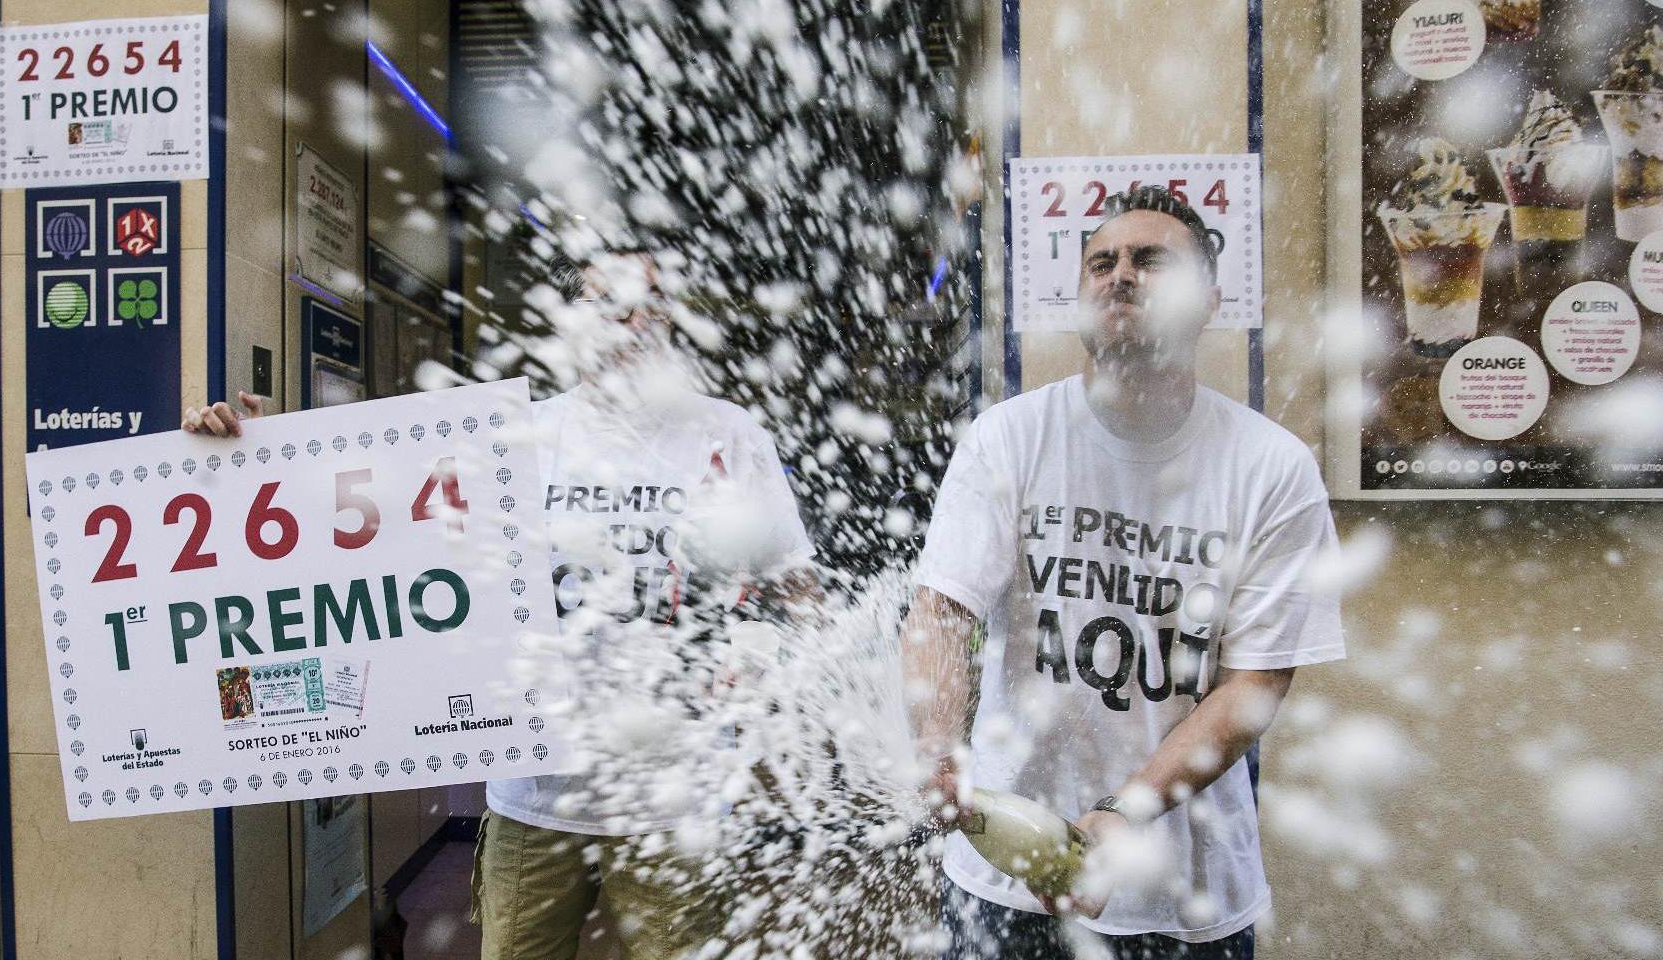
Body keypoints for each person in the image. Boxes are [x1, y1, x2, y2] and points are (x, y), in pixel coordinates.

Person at [186, 247, 818, 960]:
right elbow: (364, 537)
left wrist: (763, 665)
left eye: (646, 306)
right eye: (603, 304)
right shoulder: (511, 434)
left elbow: (798, 594)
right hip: (533, 796)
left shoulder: (727, 435)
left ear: (671, 321)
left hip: (677, 801)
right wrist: (250, 463)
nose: (626, 324)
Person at [901, 186, 1345, 959]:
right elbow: (945, 610)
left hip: (1182, 892)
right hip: (1005, 871)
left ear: (1207, 299)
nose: (1120, 275)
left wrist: (1121, 813)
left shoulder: (1272, 467)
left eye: (1150, 260)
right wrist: (940, 744)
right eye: (1101, 262)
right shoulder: (1008, 438)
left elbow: (1256, 682)